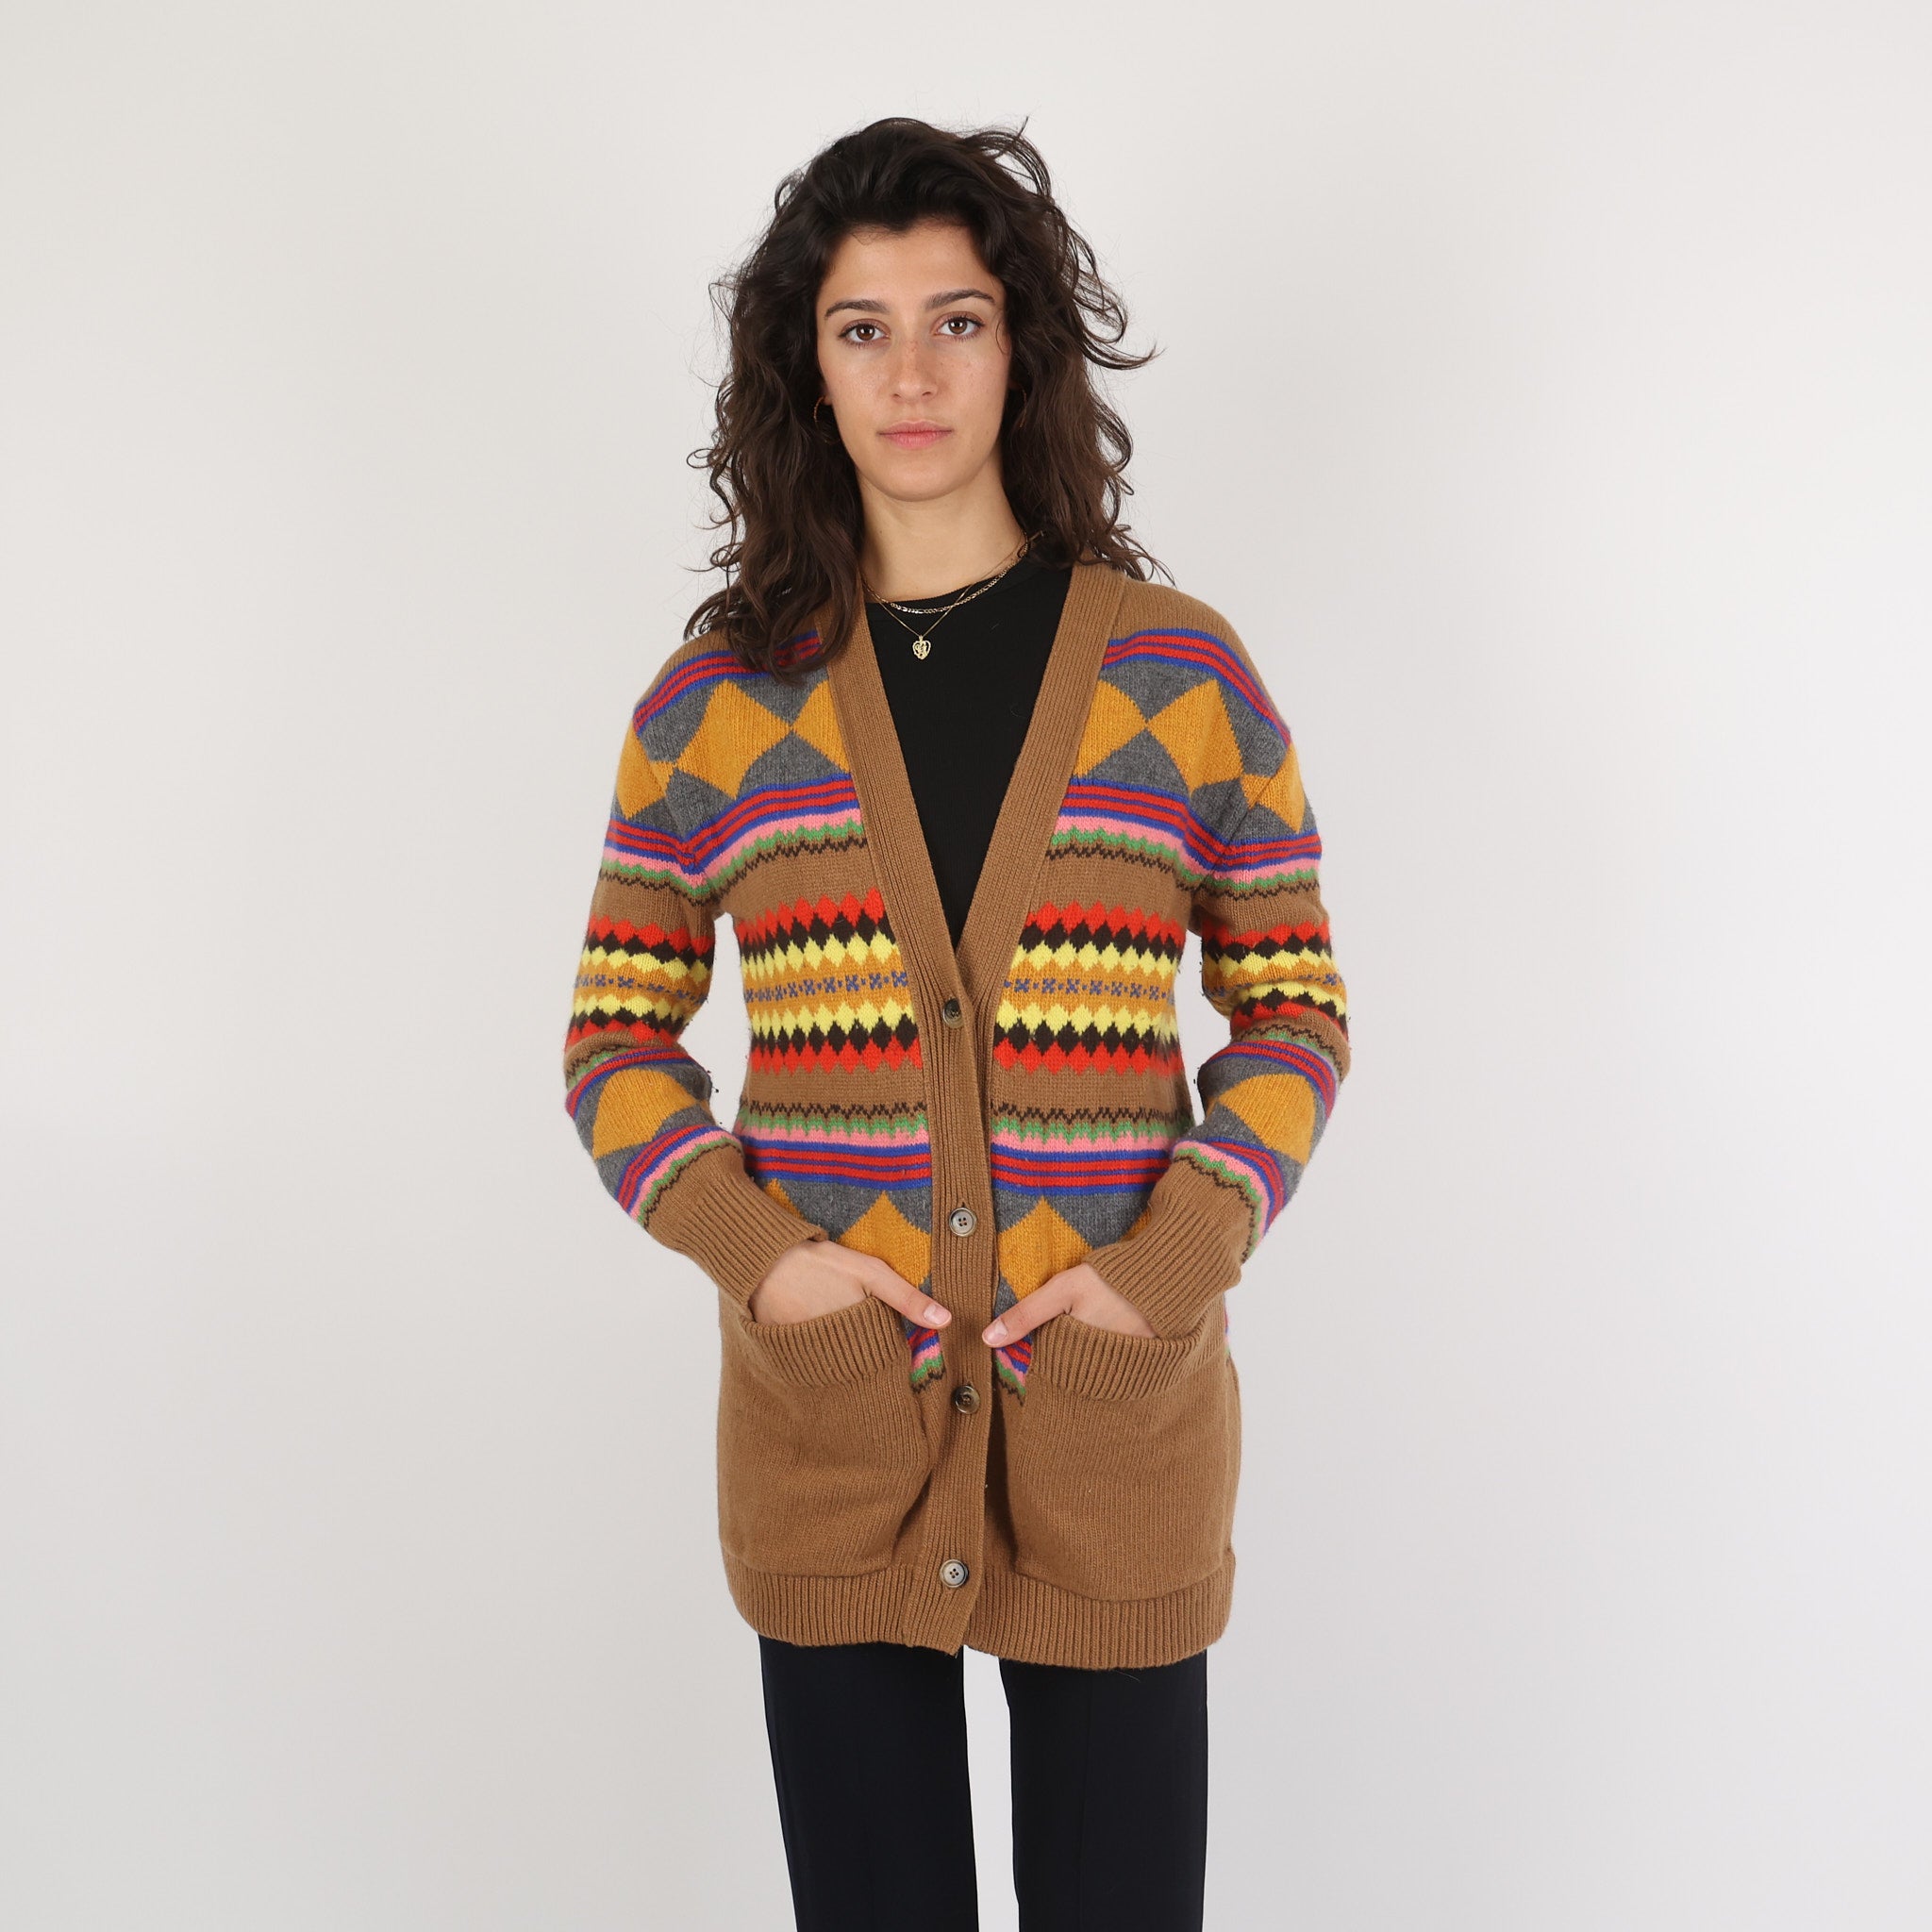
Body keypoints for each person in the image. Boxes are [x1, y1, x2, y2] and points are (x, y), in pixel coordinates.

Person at [562, 116, 1351, 1932]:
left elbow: (1295, 1005)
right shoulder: (716, 705)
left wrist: (1172, 1264)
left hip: (1113, 1421)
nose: (911, 374)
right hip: (834, 1424)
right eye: (862, 328)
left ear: (1023, 352)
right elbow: (613, 1037)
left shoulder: (1176, 669)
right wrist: (767, 1263)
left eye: (958, 321)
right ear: (806, 370)